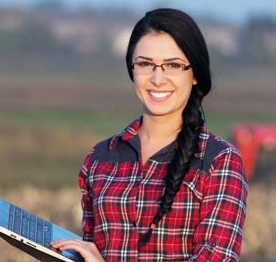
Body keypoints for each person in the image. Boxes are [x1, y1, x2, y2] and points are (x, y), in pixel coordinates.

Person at [50, 8, 249, 261]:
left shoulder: (220, 162)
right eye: (145, 64)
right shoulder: (100, 158)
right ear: (132, 70)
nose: (157, 78)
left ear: (195, 74)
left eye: (173, 65)